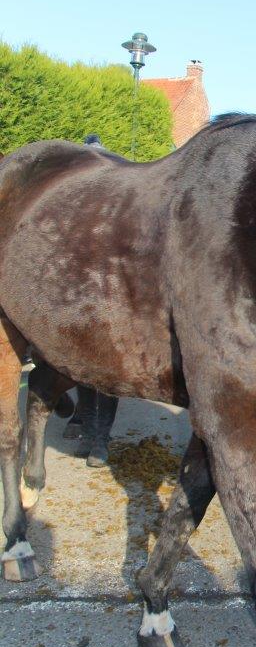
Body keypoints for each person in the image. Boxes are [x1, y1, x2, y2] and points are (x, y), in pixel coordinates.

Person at [61, 133, 119, 467]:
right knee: (81, 369)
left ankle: (100, 439)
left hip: (110, 297)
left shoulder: (115, 208)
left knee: (108, 373)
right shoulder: (73, 208)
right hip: (79, 297)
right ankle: (84, 421)